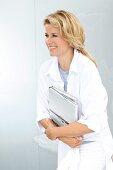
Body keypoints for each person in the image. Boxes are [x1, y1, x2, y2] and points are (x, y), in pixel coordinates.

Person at [37, 10, 113, 170]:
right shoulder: (45, 70)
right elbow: (42, 113)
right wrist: (65, 138)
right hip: (68, 144)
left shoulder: (87, 69)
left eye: (54, 35)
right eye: (46, 35)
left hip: (94, 145)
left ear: (69, 36)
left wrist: (55, 133)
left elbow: (93, 121)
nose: (48, 41)